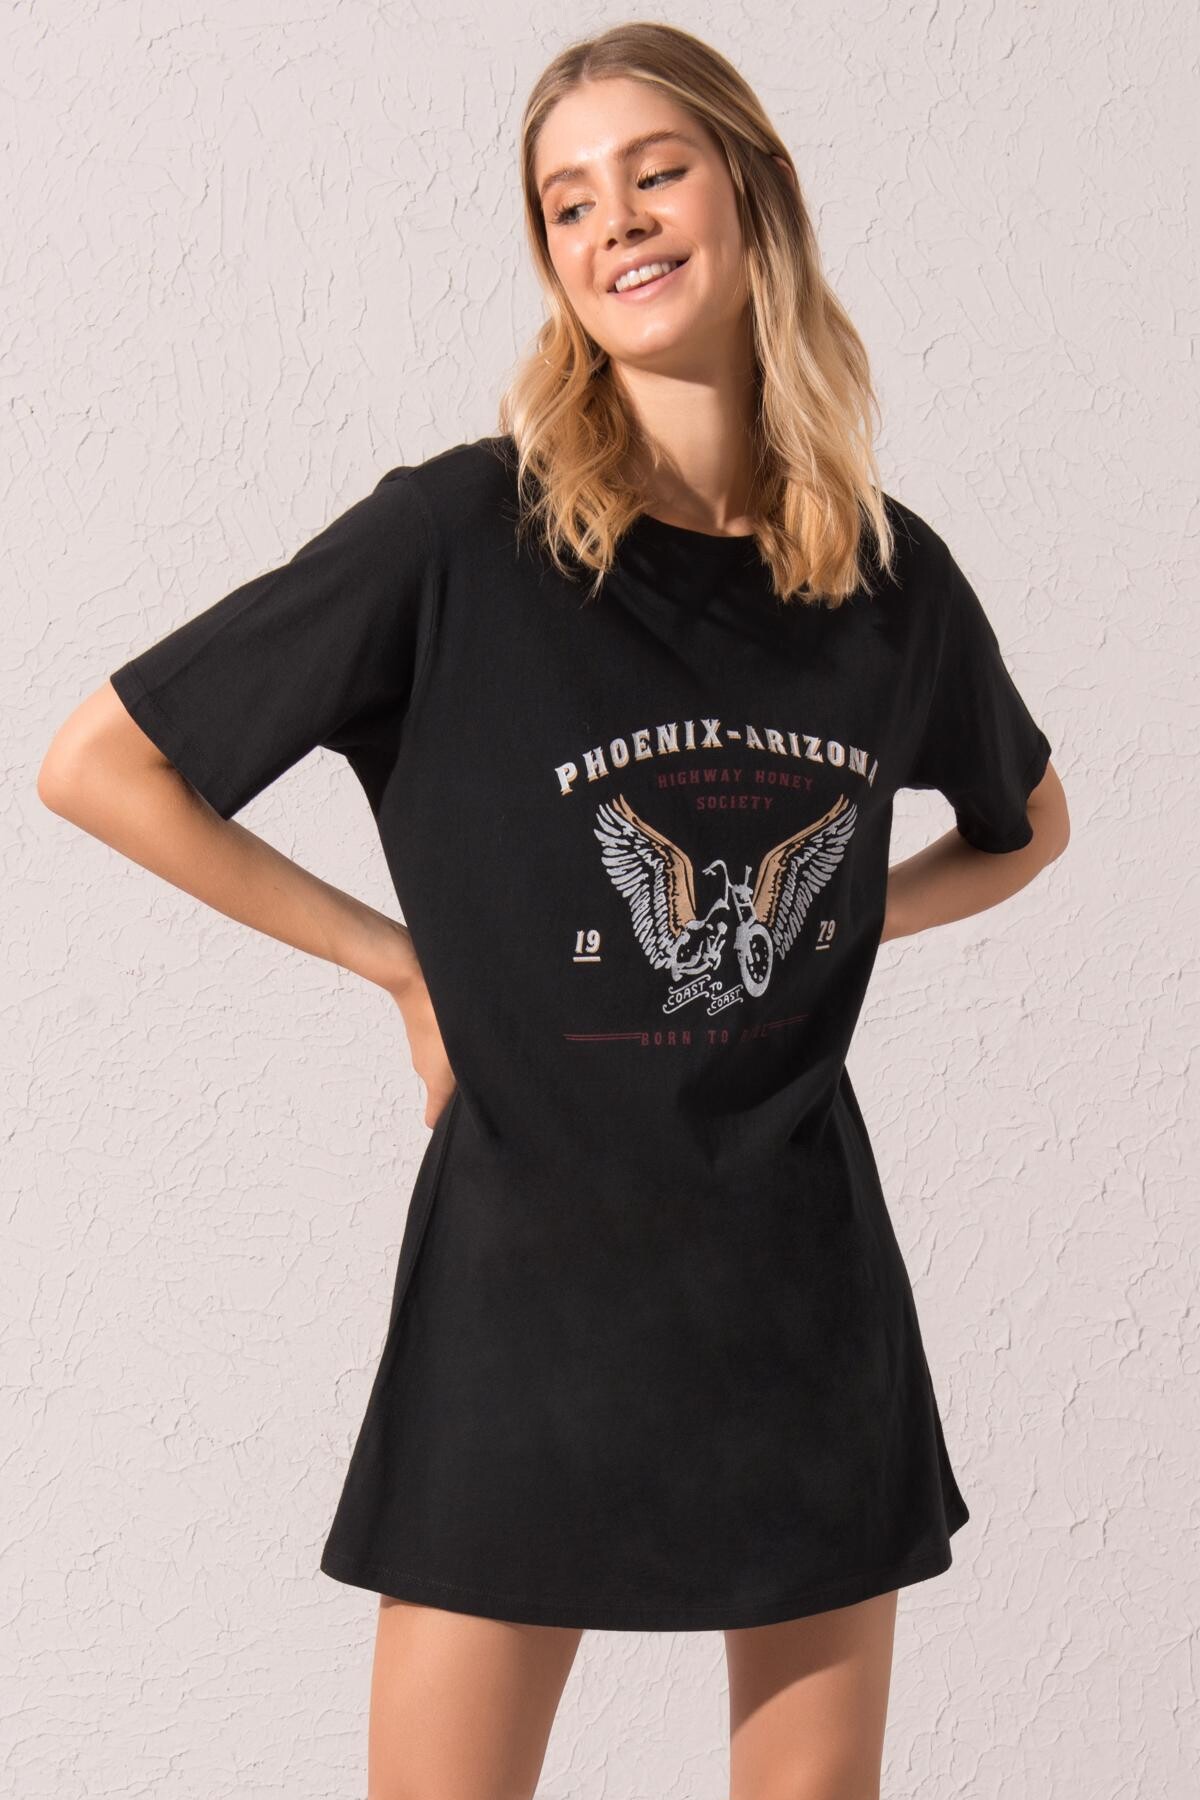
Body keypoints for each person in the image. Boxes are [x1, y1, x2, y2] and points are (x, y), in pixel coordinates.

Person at [38, 20, 1070, 1800]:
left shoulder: (886, 579)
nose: (616, 225)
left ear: (754, 190)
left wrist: (831, 927)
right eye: (569, 203)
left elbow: (1027, 826)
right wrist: (402, 968)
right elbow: (100, 765)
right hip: (526, 1296)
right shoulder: (463, 539)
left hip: (799, 1295)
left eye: (654, 173)